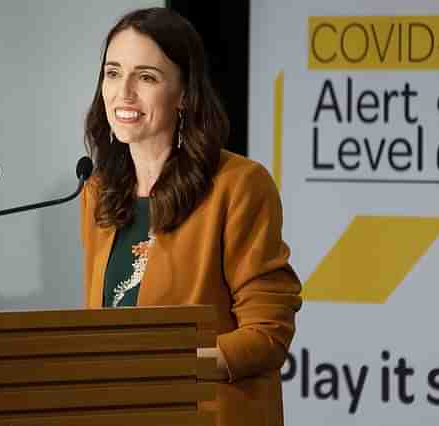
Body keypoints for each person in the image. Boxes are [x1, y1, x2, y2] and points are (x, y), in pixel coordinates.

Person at [80, 7, 301, 426]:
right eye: (112, 73)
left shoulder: (237, 185)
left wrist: (170, 369)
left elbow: (267, 334)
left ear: (183, 94)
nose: (123, 92)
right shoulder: (98, 191)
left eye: (146, 77)